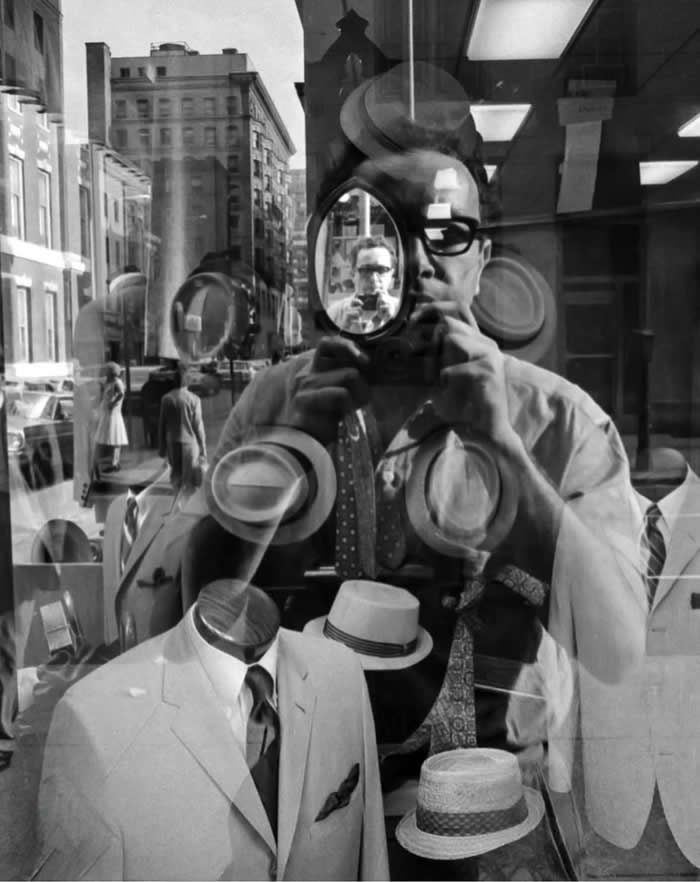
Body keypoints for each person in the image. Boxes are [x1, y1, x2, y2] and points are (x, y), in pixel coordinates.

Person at [327, 236, 400, 333]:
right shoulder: (334, 313)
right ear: (353, 274)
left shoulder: (401, 312)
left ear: (391, 274)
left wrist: (393, 324)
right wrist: (343, 330)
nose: (373, 279)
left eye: (381, 270)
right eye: (365, 270)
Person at [158, 362, 207, 495]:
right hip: (189, 443)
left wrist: (162, 449)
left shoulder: (166, 399)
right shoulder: (194, 399)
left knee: (176, 475)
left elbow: (162, 425)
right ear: (187, 381)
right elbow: (198, 426)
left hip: (172, 442)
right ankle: (186, 501)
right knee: (190, 478)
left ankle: (177, 498)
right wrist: (203, 448)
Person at [94, 361, 128, 473]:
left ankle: (114, 462)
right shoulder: (110, 382)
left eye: (107, 371)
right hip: (108, 412)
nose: (106, 374)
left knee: (115, 436)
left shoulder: (117, 382)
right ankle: (111, 462)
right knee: (107, 436)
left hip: (113, 413)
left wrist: (113, 403)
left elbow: (121, 393)